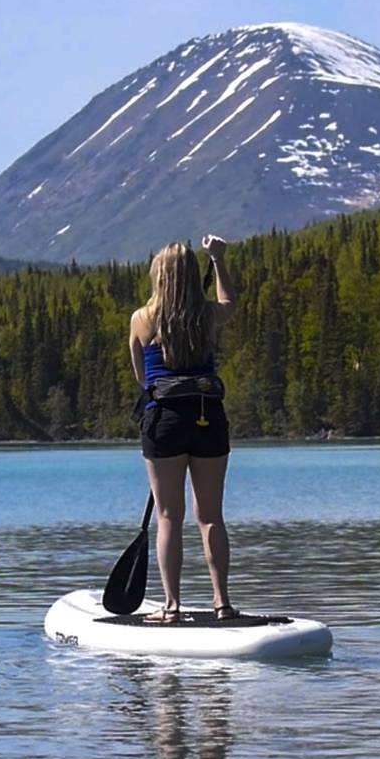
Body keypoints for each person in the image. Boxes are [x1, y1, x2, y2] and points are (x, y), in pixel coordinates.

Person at [129, 234, 239, 622]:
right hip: (209, 416)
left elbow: (143, 378)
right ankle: (222, 603)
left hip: (164, 421)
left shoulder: (141, 319)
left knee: (169, 516)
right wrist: (219, 259)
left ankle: (172, 606)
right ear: (193, 277)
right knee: (210, 517)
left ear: (159, 277)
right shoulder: (207, 315)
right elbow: (230, 304)